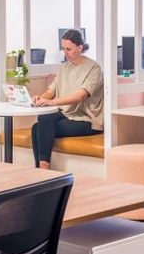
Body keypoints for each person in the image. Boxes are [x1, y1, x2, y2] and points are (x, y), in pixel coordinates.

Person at [31, 29, 103, 169]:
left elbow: (80, 96)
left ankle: (43, 171)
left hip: (87, 120)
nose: (65, 53)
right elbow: (51, 91)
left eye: (69, 49)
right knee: (38, 125)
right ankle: (42, 170)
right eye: (63, 49)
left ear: (80, 48)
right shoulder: (64, 67)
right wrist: (39, 99)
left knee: (39, 127)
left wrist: (52, 102)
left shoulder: (94, 68)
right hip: (68, 114)